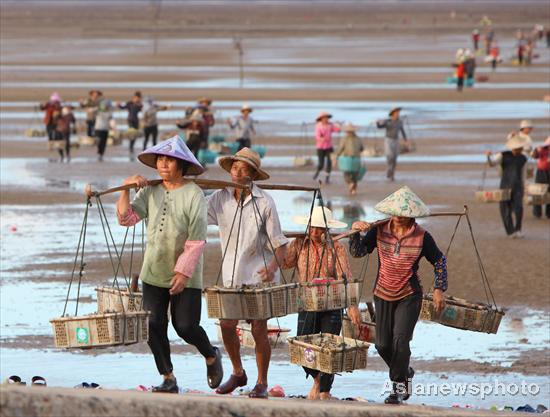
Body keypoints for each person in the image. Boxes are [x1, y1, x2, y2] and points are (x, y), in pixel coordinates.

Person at [116, 135, 223, 393]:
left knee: (185, 326)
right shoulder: (150, 191)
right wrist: (125, 188)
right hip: (153, 270)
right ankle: (168, 377)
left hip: (185, 273)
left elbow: (197, 239)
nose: (163, 164)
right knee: (154, 325)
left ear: (182, 165)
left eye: (170, 160)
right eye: (160, 159)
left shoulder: (194, 194)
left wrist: (183, 273)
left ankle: (211, 355)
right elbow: (126, 218)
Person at [348, 186, 448, 404]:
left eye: (404, 213)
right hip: (382, 292)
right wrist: (355, 231)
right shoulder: (379, 229)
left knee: (401, 341)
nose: (399, 217)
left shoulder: (422, 237)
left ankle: (398, 388)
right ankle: (405, 371)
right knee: (382, 345)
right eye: (396, 212)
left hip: (409, 295)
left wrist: (439, 288)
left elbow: (440, 261)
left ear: (412, 214)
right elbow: (358, 252)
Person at [208, 147, 288, 399]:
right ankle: (237, 371)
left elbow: (280, 245)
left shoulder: (264, 202)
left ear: (252, 174)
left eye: (243, 168)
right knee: (226, 324)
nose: (237, 172)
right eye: (234, 168)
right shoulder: (219, 198)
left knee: (258, 329)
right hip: (231, 275)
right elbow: (195, 213)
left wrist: (273, 267)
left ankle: (262, 382)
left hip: (257, 276)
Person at [281, 206, 350, 400]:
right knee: (303, 345)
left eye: (320, 229)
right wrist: (277, 243)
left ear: (327, 230)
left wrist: (352, 307)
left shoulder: (336, 247)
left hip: (332, 302)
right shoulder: (300, 244)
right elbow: (285, 263)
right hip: (307, 302)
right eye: (312, 228)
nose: (314, 232)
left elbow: (345, 276)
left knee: (328, 347)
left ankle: (325, 392)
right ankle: (318, 378)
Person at [485, 132, 529, 238]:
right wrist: (488, 156)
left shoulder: (523, 158)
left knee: (519, 208)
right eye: (517, 148)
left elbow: (524, 173)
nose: (519, 149)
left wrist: (525, 185)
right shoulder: (503, 155)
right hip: (505, 185)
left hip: (518, 186)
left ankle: (518, 230)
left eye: (520, 148)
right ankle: (510, 232)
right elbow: (492, 164)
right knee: (505, 209)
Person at [376, 107, 409, 182]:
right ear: (393, 114)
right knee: (389, 156)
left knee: (394, 158)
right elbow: (380, 127)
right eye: (396, 113)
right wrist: (377, 123)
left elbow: (403, 131)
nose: (398, 114)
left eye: (398, 113)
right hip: (388, 140)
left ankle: (392, 174)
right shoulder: (387, 121)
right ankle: (389, 170)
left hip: (396, 140)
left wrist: (406, 141)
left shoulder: (400, 122)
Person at [335, 123, 364, 195]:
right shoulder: (358, 138)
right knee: (355, 175)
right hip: (356, 159)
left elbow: (340, 148)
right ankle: (353, 190)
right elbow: (362, 148)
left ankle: (350, 184)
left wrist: (337, 155)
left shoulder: (344, 139)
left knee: (346, 173)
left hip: (347, 159)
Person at [313, 111, 341, 184]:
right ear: (321, 119)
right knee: (321, 164)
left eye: (327, 118)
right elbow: (317, 137)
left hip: (329, 147)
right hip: (320, 147)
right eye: (324, 118)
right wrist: (324, 139)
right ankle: (317, 173)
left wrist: (338, 125)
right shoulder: (318, 126)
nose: (326, 119)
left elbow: (338, 130)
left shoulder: (330, 125)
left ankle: (327, 179)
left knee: (329, 163)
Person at [531, 137, 550, 219]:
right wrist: (536, 150)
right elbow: (534, 156)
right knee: (538, 191)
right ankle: (537, 213)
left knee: (549, 192)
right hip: (541, 172)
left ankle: (548, 213)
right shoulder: (542, 150)